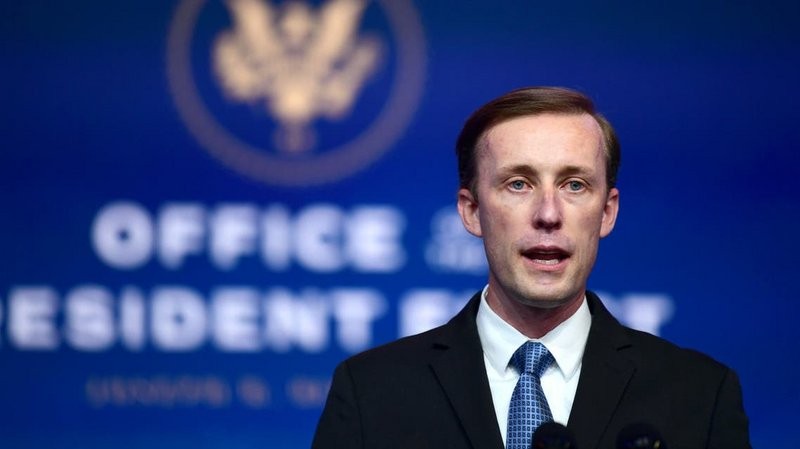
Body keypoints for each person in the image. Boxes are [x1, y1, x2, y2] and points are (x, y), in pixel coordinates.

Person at [311, 87, 751, 449]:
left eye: (574, 185)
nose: (548, 214)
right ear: (471, 211)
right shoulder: (372, 393)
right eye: (518, 184)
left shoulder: (700, 396)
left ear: (607, 212)